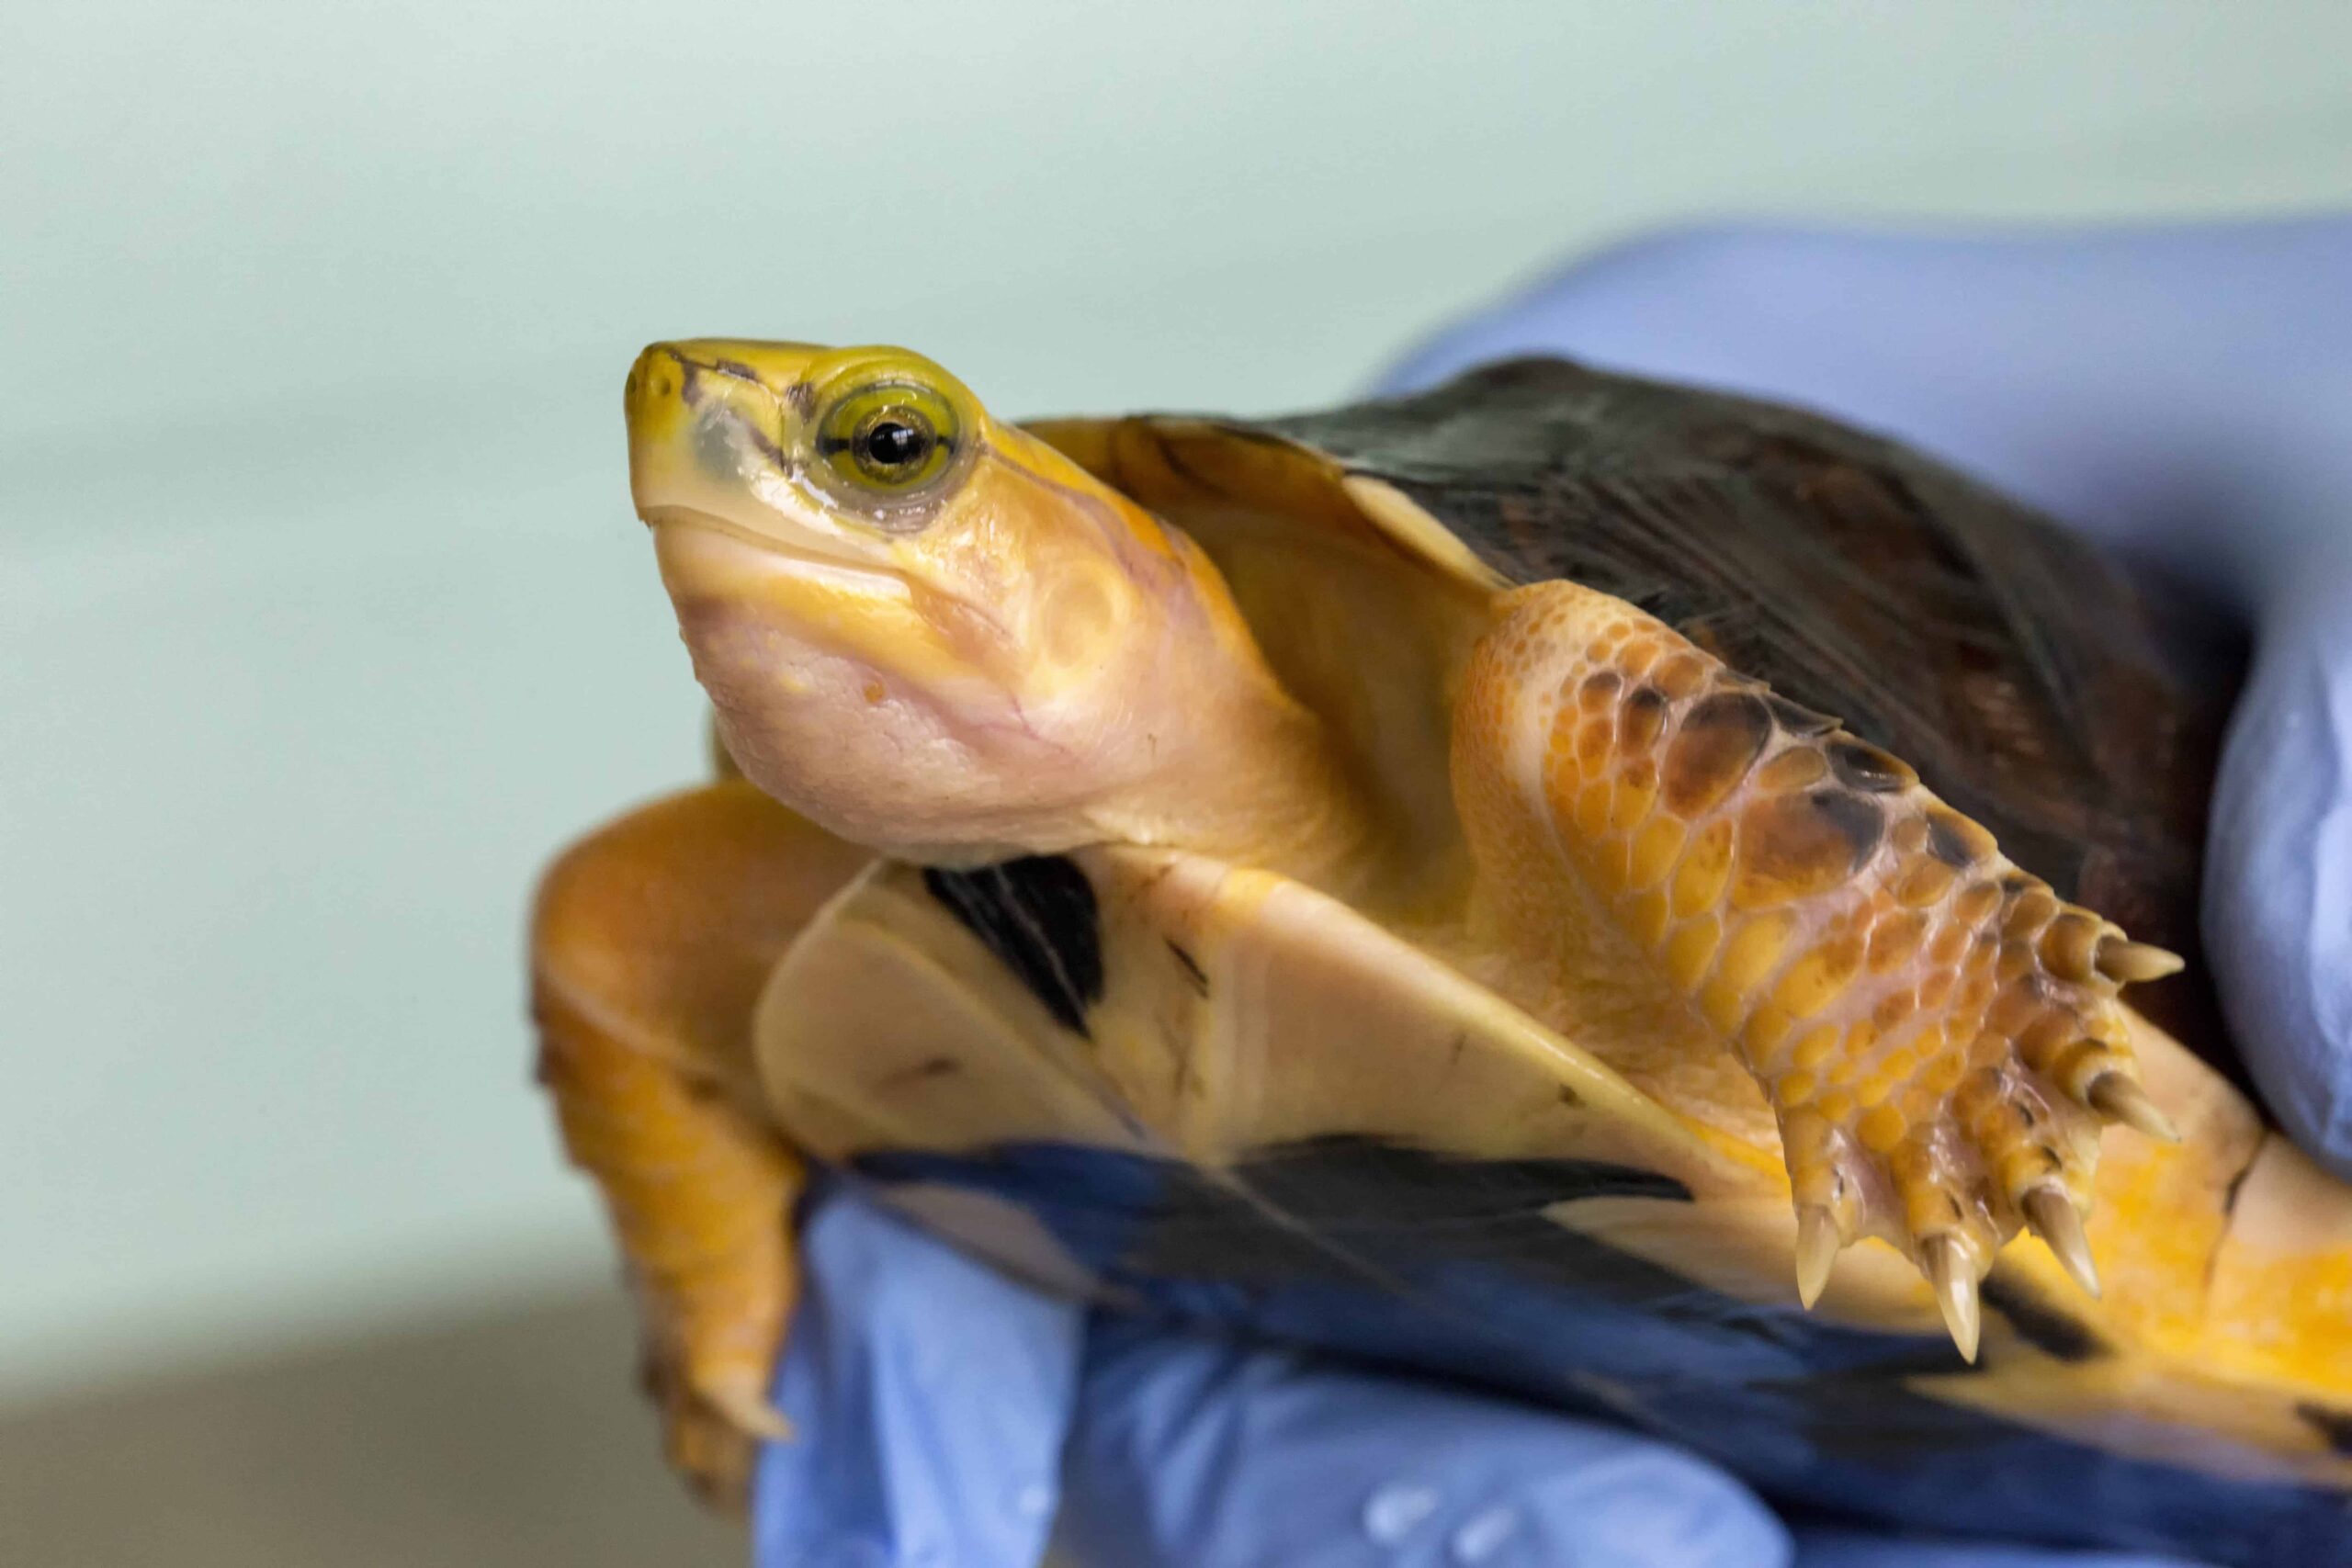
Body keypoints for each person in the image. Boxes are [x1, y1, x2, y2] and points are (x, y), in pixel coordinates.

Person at [752, 220, 2352, 1568]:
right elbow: (622, 950)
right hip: (1540, 1369)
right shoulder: (844, 871)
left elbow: (1582, 663)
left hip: (2156, 1198)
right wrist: (720, 1282)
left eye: (884, 451)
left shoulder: (1553, 701)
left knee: (1553, 675)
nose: (712, 470)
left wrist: (1916, 1001)